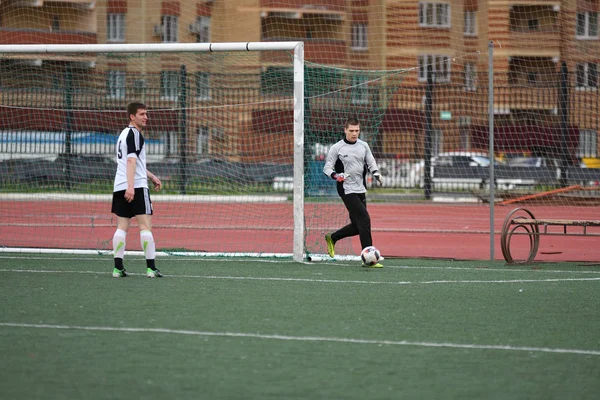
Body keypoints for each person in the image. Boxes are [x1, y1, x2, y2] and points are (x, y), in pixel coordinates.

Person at [111, 102, 163, 278]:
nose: (145, 117)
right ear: (132, 117)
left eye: (146, 114)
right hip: (136, 187)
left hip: (119, 186)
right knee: (145, 226)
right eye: (141, 114)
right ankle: (151, 269)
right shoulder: (135, 134)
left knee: (122, 227)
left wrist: (152, 176)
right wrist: (132, 187)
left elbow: (133, 162)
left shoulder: (123, 134)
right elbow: (131, 162)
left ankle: (118, 269)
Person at [323, 117, 383, 268]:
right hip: (346, 189)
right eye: (351, 131)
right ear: (345, 130)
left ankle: (333, 237)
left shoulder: (363, 145)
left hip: (360, 188)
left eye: (357, 131)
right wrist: (336, 176)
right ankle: (369, 258)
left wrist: (376, 173)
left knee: (358, 226)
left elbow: (371, 162)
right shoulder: (337, 148)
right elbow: (327, 168)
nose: (354, 133)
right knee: (365, 218)